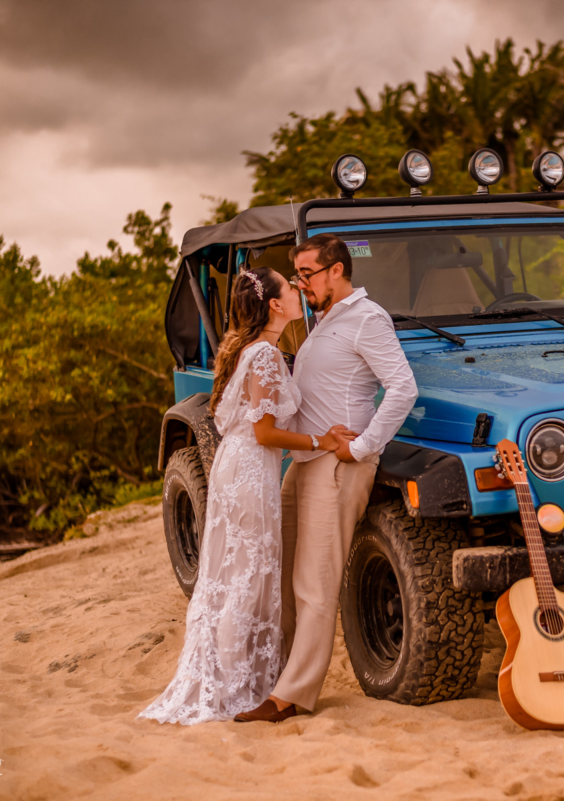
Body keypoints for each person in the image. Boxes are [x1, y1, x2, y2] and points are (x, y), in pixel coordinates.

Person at [138, 266, 354, 725]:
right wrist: (323, 441)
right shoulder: (264, 357)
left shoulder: (254, 350)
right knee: (247, 576)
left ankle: (237, 677)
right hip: (250, 471)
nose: (299, 291)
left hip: (237, 468)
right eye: (289, 287)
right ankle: (236, 686)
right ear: (275, 304)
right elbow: (264, 433)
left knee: (238, 572)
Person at [235, 233, 418, 723]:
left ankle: (292, 695)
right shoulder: (323, 321)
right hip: (306, 463)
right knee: (287, 576)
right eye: (297, 277)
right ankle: (283, 675)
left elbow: (402, 388)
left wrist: (360, 447)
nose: (302, 284)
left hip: (337, 467)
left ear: (337, 270)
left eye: (308, 274)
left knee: (315, 584)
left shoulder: (367, 319)